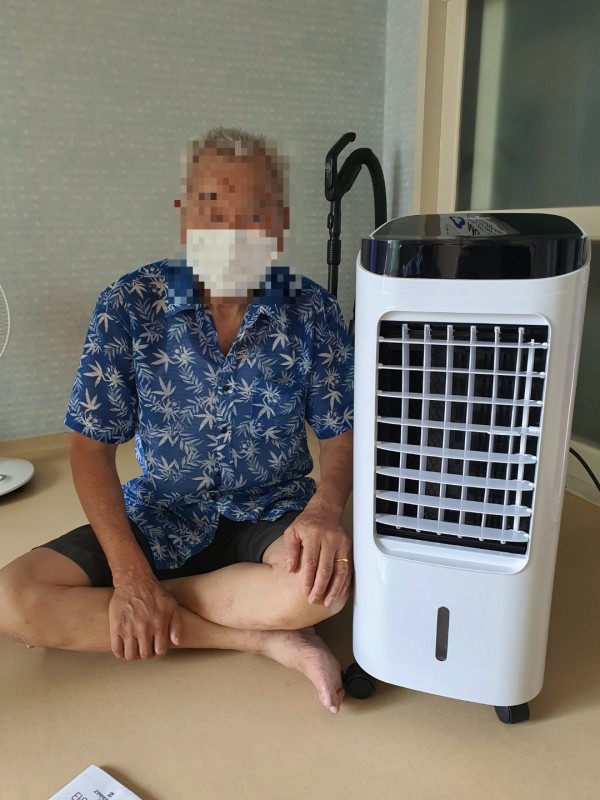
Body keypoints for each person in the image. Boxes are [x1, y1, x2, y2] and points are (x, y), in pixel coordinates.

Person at [0, 127, 354, 714]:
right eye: (212, 209)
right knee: (12, 598)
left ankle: (155, 604)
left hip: (270, 508)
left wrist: (324, 511)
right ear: (184, 216)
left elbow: (341, 433)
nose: (231, 233)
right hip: (161, 511)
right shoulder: (128, 304)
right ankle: (258, 639)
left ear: (280, 225)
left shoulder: (312, 310)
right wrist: (129, 574)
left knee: (321, 589)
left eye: (253, 213)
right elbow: (90, 448)